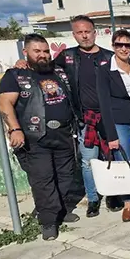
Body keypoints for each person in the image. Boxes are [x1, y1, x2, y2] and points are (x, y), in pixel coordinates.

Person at [13, 15, 115, 217]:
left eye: (88, 31)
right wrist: (22, 63)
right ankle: (93, 199)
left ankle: (113, 194)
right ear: (74, 34)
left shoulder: (109, 56)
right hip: (84, 119)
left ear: (95, 32)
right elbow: (43, 69)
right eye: (80, 32)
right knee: (88, 161)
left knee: (112, 156)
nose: (84, 36)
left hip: (110, 117)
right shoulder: (66, 57)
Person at [0, 34, 80, 241]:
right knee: (43, 180)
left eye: (45, 51)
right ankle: (48, 221)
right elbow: (4, 103)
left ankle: (58, 210)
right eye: (37, 51)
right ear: (25, 52)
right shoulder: (16, 75)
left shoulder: (58, 71)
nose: (43, 55)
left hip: (64, 134)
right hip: (35, 137)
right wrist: (14, 129)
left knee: (65, 176)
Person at [97, 29, 130, 222]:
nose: (124, 48)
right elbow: (103, 102)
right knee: (123, 159)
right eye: (120, 44)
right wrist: (111, 135)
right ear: (113, 46)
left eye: (128, 45)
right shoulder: (104, 71)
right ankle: (127, 202)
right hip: (119, 120)